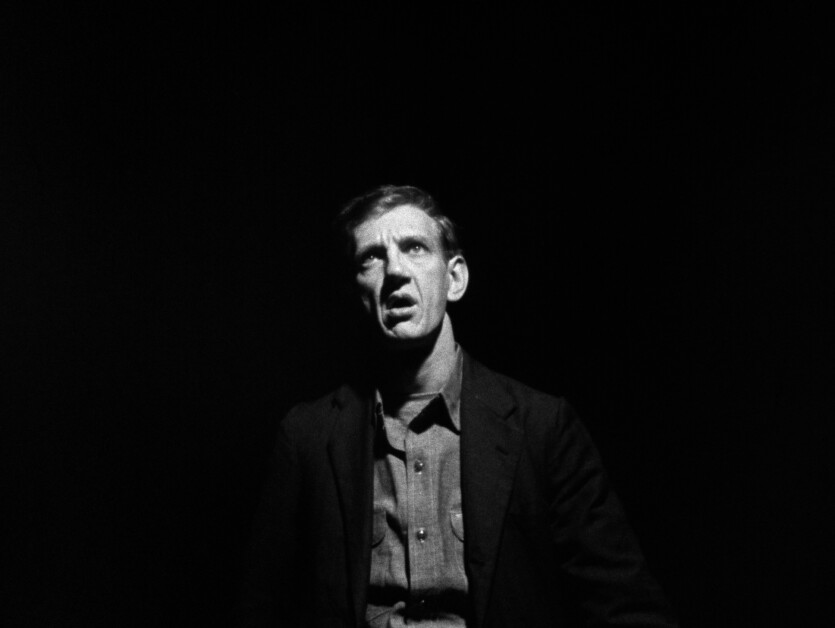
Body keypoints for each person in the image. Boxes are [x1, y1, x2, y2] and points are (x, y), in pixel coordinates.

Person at [240, 185, 677, 627]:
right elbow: (260, 609)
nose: (395, 270)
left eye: (414, 247)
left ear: (455, 279)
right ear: (356, 293)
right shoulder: (308, 437)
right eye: (370, 257)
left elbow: (626, 607)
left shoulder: (542, 427)